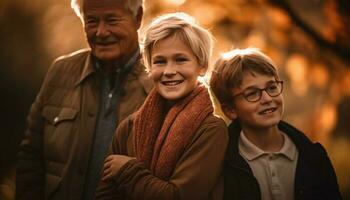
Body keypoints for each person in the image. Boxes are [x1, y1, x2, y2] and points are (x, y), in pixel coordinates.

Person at [15, 0, 152, 199]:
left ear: (138, 17)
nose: (101, 32)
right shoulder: (60, 72)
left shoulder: (161, 84)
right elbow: (31, 157)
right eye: (92, 21)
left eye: (111, 20)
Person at [95, 12, 229, 200]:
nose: (169, 71)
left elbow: (179, 196)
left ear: (202, 66)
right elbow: (105, 194)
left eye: (181, 59)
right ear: (149, 67)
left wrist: (128, 170)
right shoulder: (130, 126)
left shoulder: (211, 130)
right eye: (160, 61)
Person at [210, 48, 342, 200]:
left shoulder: (314, 157)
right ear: (231, 110)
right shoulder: (221, 167)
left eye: (272, 87)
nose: (267, 98)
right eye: (252, 93)